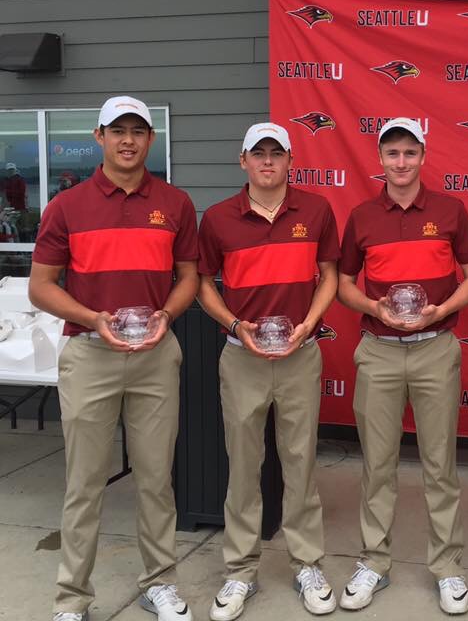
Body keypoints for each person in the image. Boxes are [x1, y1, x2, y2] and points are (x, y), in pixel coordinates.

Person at [28, 96, 199, 621]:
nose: (128, 140)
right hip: (90, 353)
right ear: (99, 137)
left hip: (155, 354)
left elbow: (189, 276)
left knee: (155, 479)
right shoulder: (67, 206)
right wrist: (92, 316)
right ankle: (72, 599)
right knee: (84, 483)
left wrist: (167, 314)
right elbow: (40, 286)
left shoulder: (175, 203)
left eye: (138, 131)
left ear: (151, 139)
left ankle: (160, 583)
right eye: (117, 130)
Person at [336, 117, 468, 615]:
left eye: (410, 152)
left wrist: (441, 311)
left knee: (440, 465)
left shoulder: (449, 210)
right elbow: (344, 283)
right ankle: (374, 562)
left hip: (434, 347)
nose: (401, 162)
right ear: (380, 159)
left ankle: (447, 565)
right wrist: (373, 308)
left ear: (423, 156)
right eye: (392, 153)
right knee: (378, 465)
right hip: (379, 349)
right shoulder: (362, 216)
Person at [196, 122, 340, 620]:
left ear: (290, 161)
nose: (267, 161)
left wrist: (309, 323)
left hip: (300, 354)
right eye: (257, 153)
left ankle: (307, 564)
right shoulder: (218, 218)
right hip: (243, 357)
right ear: (243, 161)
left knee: (300, 464)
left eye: (276, 153)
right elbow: (203, 283)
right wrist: (235, 323)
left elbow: (330, 276)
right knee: (243, 466)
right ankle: (240, 571)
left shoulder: (316, 210)